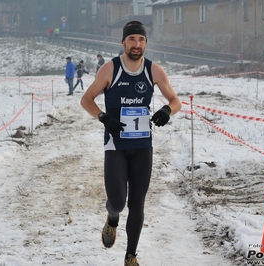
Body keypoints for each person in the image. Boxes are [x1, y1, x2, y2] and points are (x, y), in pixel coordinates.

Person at [80, 21, 182, 266]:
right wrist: (103, 117)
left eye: (141, 40)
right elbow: (86, 99)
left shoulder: (154, 70)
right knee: (118, 201)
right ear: (123, 43)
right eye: (132, 39)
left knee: (137, 204)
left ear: (146, 43)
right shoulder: (110, 69)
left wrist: (168, 110)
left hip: (142, 146)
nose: (137, 45)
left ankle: (131, 256)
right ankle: (112, 217)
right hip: (116, 146)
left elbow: (176, 100)